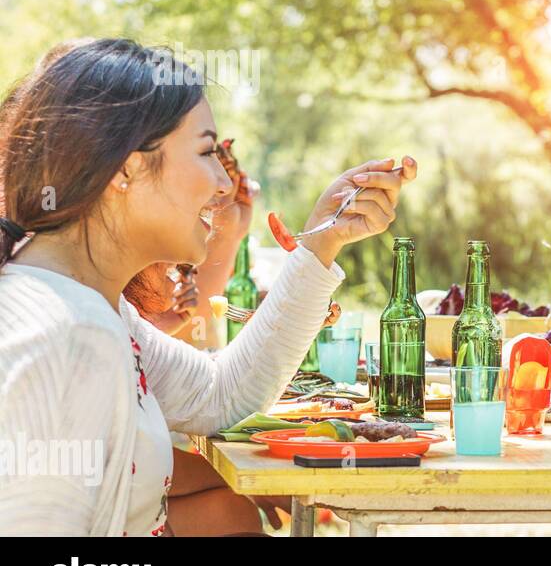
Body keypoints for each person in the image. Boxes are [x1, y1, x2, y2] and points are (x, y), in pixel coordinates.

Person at [0, 38, 417, 536]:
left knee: (226, 515)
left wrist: (321, 243)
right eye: (205, 151)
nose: (224, 182)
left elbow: (220, 394)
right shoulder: (66, 334)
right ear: (127, 169)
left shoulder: (93, 306)